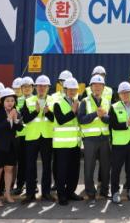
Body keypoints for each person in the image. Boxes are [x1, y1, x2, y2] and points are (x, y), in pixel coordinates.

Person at [21, 75, 55, 203]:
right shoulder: (28, 101)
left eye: (44, 86)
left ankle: (46, 193)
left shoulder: (53, 100)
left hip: (47, 136)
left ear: (48, 88)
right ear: (35, 87)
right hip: (32, 137)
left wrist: (48, 112)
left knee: (47, 166)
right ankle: (30, 194)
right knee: (30, 166)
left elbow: (55, 119)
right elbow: (25, 119)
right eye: (39, 86)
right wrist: (36, 112)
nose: (41, 88)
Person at [78, 74, 111, 202]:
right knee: (89, 167)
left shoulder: (106, 101)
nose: (97, 87)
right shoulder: (84, 101)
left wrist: (103, 117)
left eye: (100, 85)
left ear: (103, 87)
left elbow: (110, 120)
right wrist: (95, 114)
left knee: (106, 167)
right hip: (90, 139)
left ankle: (104, 191)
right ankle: (90, 192)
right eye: (95, 85)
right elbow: (81, 120)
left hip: (104, 139)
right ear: (90, 87)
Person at [0, 88, 24, 207]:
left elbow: (20, 128)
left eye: (12, 100)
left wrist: (16, 120)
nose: (10, 103)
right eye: (7, 100)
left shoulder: (16, 111)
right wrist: (9, 118)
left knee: (9, 170)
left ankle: (7, 194)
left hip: (12, 146)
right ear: (2, 101)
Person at [52, 77, 83, 206]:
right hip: (62, 144)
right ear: (65, 90)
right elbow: (60, 120)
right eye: (70, 89)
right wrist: (73, 111)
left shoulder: (78, 102)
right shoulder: (57, 103)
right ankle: (61, 195)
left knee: (74, 170)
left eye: (74, 89)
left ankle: (70, 192)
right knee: (62, 171)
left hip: (75, 143)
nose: (72, 91)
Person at [12, 76, 34, 196]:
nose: (26, 89)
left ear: (32, 88)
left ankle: (33, 185)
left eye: (28, 87)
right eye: (24, 87)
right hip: (20, 136)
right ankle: (20, 185)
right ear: (21, 88)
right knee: (21, 162)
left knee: (32, 162)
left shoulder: (36, 100)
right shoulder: (17, 101)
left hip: (33, 135)